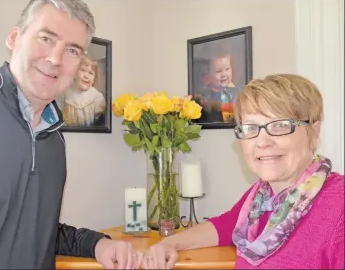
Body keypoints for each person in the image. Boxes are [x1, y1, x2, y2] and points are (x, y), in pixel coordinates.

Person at [0, 0, 142, 269]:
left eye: (72, 50)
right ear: (14, 38)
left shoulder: (54, 138)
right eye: (46, 38)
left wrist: (97, 243)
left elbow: (36, 233)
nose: (55, 59)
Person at [143, 74, 344, 269]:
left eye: (280, 125)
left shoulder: (339, 205)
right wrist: (168, 244)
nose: (263, 142)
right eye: (250, 128)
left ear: (314, 131)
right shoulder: (260, 199)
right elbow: (225, 226)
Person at [194, 53, 239, 123]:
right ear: (211, 74)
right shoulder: (207, 91)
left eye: (227, 69)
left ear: (232, 70)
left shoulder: (237, 91)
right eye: (218, 71)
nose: (223, 74)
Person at [62, 57, 106, 127]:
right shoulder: (67, 93)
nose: (86, 76)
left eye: (90, 73)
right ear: (75, 73)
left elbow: (100, 123)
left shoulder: (97, 97)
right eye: (82, 70)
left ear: (94, 79)